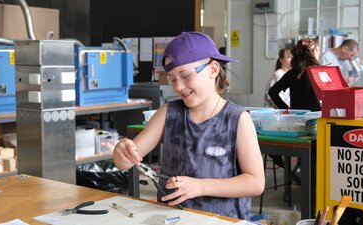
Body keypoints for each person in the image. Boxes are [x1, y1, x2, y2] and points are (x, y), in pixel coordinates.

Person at [113, 31, 265, 220]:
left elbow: (256, 182)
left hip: (223, 220)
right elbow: (126, 160)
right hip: (173, 219)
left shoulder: (237, 119)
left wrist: (200, 186)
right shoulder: (168, 114)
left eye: (185, 75)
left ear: (213, 69)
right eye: (172, 79)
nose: (178, 86)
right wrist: (121, 152)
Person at [268, 38, 321, 185]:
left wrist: (288, 110)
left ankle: (299, 171)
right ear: (313, 52)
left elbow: (272, 92)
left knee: (303, 152)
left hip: (297, 121)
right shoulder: (318, 72)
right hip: (316, 120)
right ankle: (307, 178)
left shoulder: (292, 73)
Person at [263, 47, 292, 168]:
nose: (291, 60)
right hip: (275, 115)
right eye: (288, 57)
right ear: (281, 60)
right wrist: (288, 109)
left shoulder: (287, 74)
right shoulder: (279, 74)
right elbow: (275, 97)